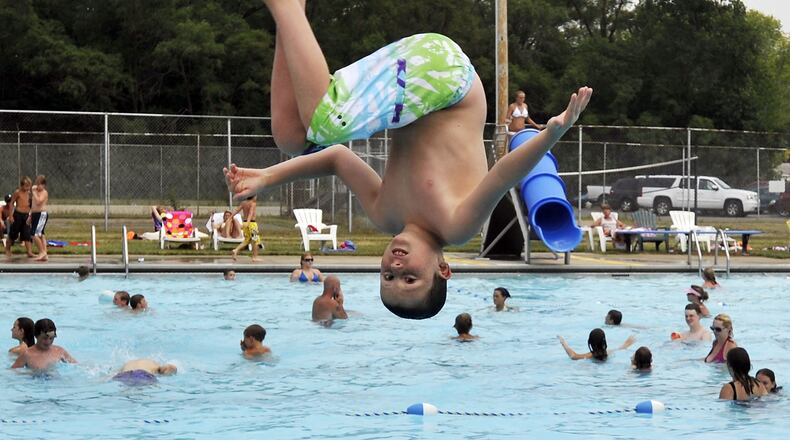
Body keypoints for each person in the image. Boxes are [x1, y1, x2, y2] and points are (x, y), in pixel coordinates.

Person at [223, 0, 592, 320]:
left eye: (387, 278)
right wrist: (551, 134)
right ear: (443, 269)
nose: (395, 268)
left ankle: (293, 17)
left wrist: (268, 178)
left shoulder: (385, 215)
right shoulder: (456, 227)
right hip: (448, 80)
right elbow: (502, 175)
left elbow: (336, 159)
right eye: (409, 278)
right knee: (327, 119)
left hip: (415, 88)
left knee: (291, 136)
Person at [11, 318, 77, 369]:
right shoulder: (27, 354)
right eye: (44, 338)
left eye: (51, 338)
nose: (48, 342)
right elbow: (13, 372)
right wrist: (30, 373)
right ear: (36, 336)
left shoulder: (59, 351)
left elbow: (76, 365)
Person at [557, 329, 636, 361]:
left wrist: (563, 342)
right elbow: (620, 348)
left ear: (590, 342)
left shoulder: (590, 355)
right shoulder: (608, 352)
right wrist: (627, 343)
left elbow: (573, 356)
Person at [4, 176, 34, 258]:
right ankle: (7, 249)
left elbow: (31, 205)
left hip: (26, 216)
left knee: (27, 234)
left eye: (29, 186)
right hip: (18, 215)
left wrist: (30, 216)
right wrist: (10, 216)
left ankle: (29, 252)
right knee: (13, 234)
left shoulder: (29, 193)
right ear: (22, 185)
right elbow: (11, 204)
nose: (28, 188)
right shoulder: (17, 192)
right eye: (26, 186)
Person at [231, 196, 261, 262]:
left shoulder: (243, 203)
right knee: (256, 240)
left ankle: (236, 250)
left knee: (247, 240)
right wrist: (248, 222)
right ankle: (254, 257)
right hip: (252, 224)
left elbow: (237, 210)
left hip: (244, 223)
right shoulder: (253, 203)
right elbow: (250, 213)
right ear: (253, 197)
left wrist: (231, 216)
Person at [30, 175, 49, 262]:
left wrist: (34, 192)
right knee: (41, 234)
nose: (37, 186)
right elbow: (33, 204)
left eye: (40, 185)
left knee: (34, 234)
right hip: (35, 214)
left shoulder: (44, 192)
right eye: (37, 184)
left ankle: (42, 252)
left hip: (41, 214)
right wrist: (30, 215)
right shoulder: (36, 190)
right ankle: (44, 253)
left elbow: (38, 202)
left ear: (44, 185)